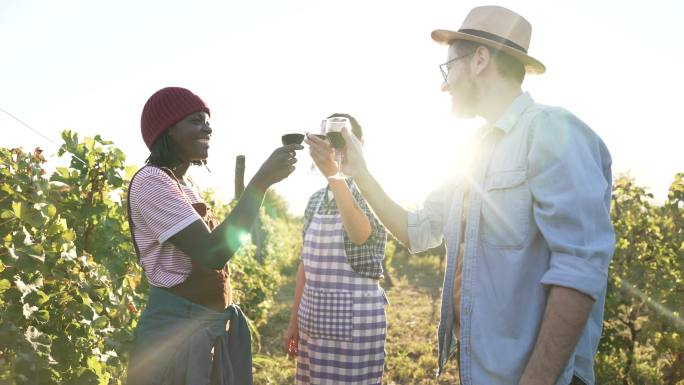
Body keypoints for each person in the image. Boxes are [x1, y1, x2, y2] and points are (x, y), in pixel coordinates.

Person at [318, 6, 615, 385]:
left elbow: (580, 272)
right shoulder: (470, 153)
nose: (444, 84)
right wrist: (357, 172)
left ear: (479, 60)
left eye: (448, 68)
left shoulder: (552, 132)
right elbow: (417, 230)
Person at [125, 86, 302, 385]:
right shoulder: (151, 181)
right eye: (195, 120)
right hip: (173, 339)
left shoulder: (185, 183)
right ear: (167, 130)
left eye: (207, 120)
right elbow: (212, 253)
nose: (207, 127)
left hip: (200, 331)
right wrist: (259, 184)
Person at [285, 113, 388, 385]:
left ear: (360, 144)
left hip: (356, 333)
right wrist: (293, 321)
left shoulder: (370, 192)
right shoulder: (315, 200)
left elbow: (359, 234)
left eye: (341, 140)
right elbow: (305, 265)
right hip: (312, 326)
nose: (333, 148)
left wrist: (333, 173)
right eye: (327, 140)